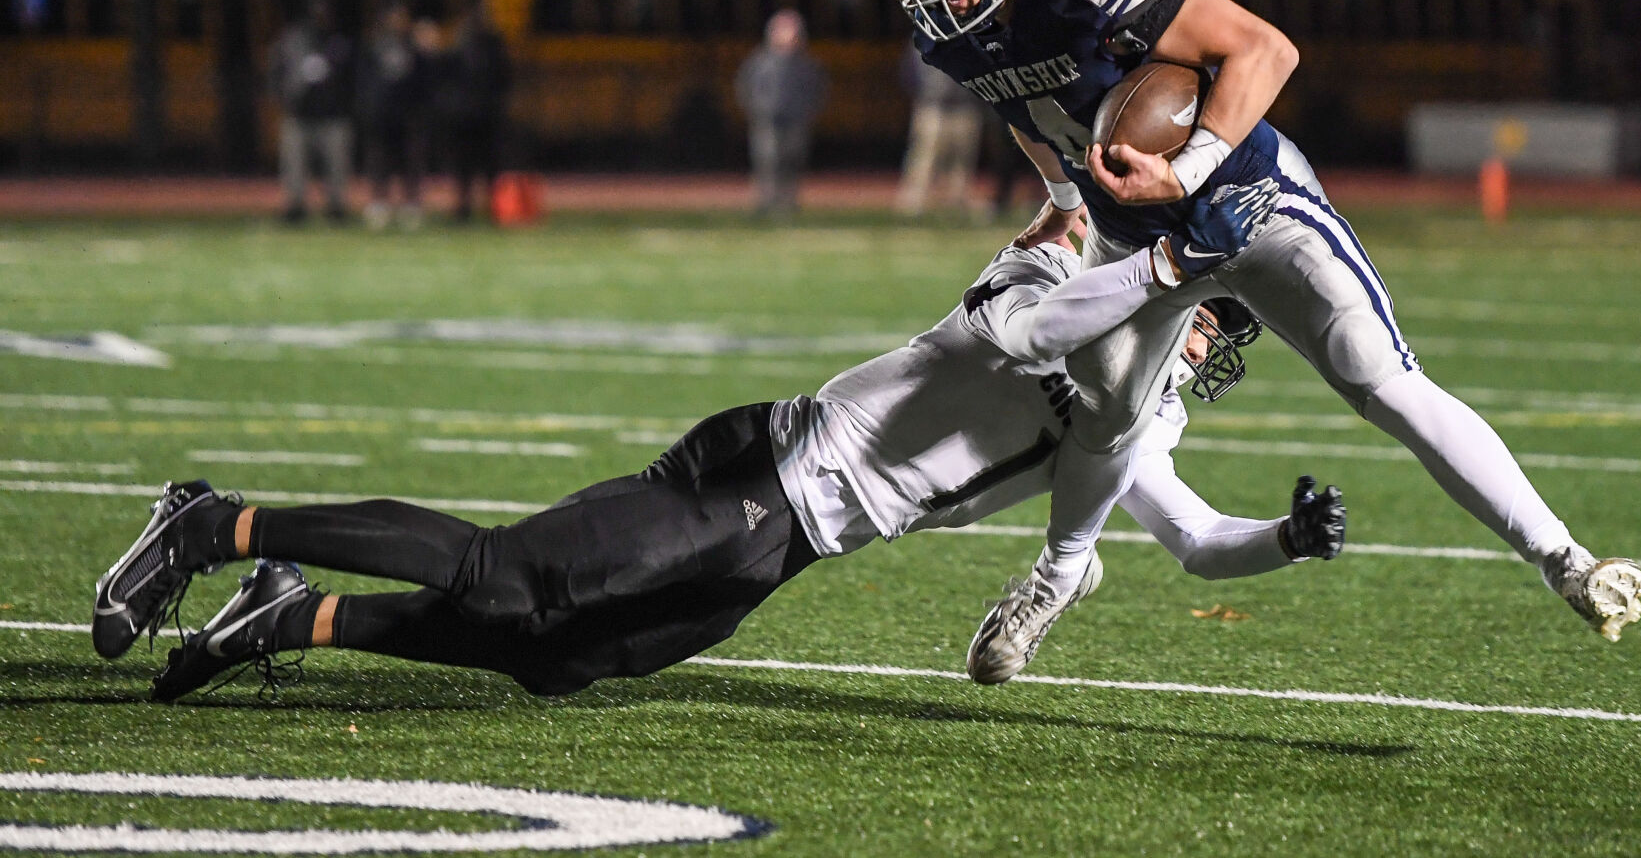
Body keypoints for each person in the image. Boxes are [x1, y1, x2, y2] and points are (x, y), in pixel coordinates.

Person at [876, 0, 1641, 665]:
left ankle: (1562, 558)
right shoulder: (956, 34)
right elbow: (1025, 109)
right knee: (1106, 421)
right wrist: (1064, 199)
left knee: (1379, 376)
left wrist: (1188, 167)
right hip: (1132, 233)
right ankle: (1058, 575)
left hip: (1246, 196)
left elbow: (1264, 49)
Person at [91, 238, 1345, 701]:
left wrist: (1281, 539)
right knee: (510, 574)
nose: (1203, 347)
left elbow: (1188, 540)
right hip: (766, 467)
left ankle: (287, 619)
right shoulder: (1048, 280)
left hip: (791, 543)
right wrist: (1143, 265)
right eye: (1205, 318)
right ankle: (212, 526)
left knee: (554, 656)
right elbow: (1021, 324)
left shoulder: (1131, 421)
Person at [268, 0, 353, 223]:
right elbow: (276, 71)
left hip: (332, 114)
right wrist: (284, 98)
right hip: (299, 113)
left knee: (336, 166)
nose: (321, 14)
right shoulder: (292, 39)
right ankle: (295, 207)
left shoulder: (339, 41)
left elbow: (351, 78)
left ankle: (336, 207)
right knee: (294, 165)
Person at [735, 9, 825, 217]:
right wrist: (757, 109)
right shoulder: (760, 62)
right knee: (767, 160)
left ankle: (787, 202)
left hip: (796, 120)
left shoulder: (806, 64)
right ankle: (765, 201)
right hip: (767, 120)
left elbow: (817, 89)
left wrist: (807, 110)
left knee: (792, 160)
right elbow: (745, 87)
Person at [435, 1, 512, 222]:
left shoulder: (493, 45)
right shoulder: (456, 47)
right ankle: (463, 207)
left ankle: (492, 208)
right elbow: (444, 79)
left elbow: (504, 78)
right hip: (463, 117)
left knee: (490, 166)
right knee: (463, 166)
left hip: (487, 116)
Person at [895, 40, 986, 216]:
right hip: (934, 105)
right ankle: (915, 200)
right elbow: (908, 73)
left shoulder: (970, 37)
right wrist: (923, 95)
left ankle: (958, 200)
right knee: (925, 156)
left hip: (964, 105)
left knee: (963, 159)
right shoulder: (922, 36)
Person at [357, 2, 426, 230]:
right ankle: (379, 204)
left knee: (410, 161)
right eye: (395, 17)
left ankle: (411, 205)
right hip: (382, 114)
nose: (399, 22)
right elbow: (365, 80)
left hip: (408, 114)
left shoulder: (414, 46)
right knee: (379, 160)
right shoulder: (375, 45)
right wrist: (370, 107)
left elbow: (424, 80)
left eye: (403, 17)